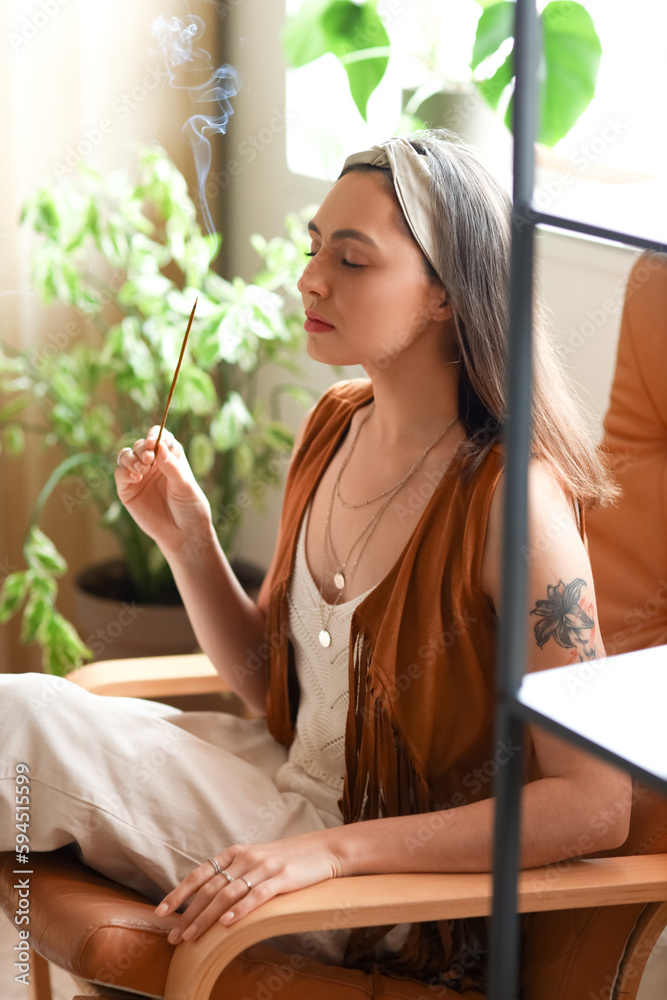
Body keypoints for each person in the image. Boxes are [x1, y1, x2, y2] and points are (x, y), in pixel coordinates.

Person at [1, 131, 631, 992]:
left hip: (399, 882)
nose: (310, 279)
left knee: (25, 720)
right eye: (312, 249)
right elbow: (269, 686)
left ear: (447, 294)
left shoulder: (510, 499)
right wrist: (187, 538)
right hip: (285, 792)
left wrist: (330, 853)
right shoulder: (336, 424)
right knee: (30, 713)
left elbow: (596, 805)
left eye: (353, 259)